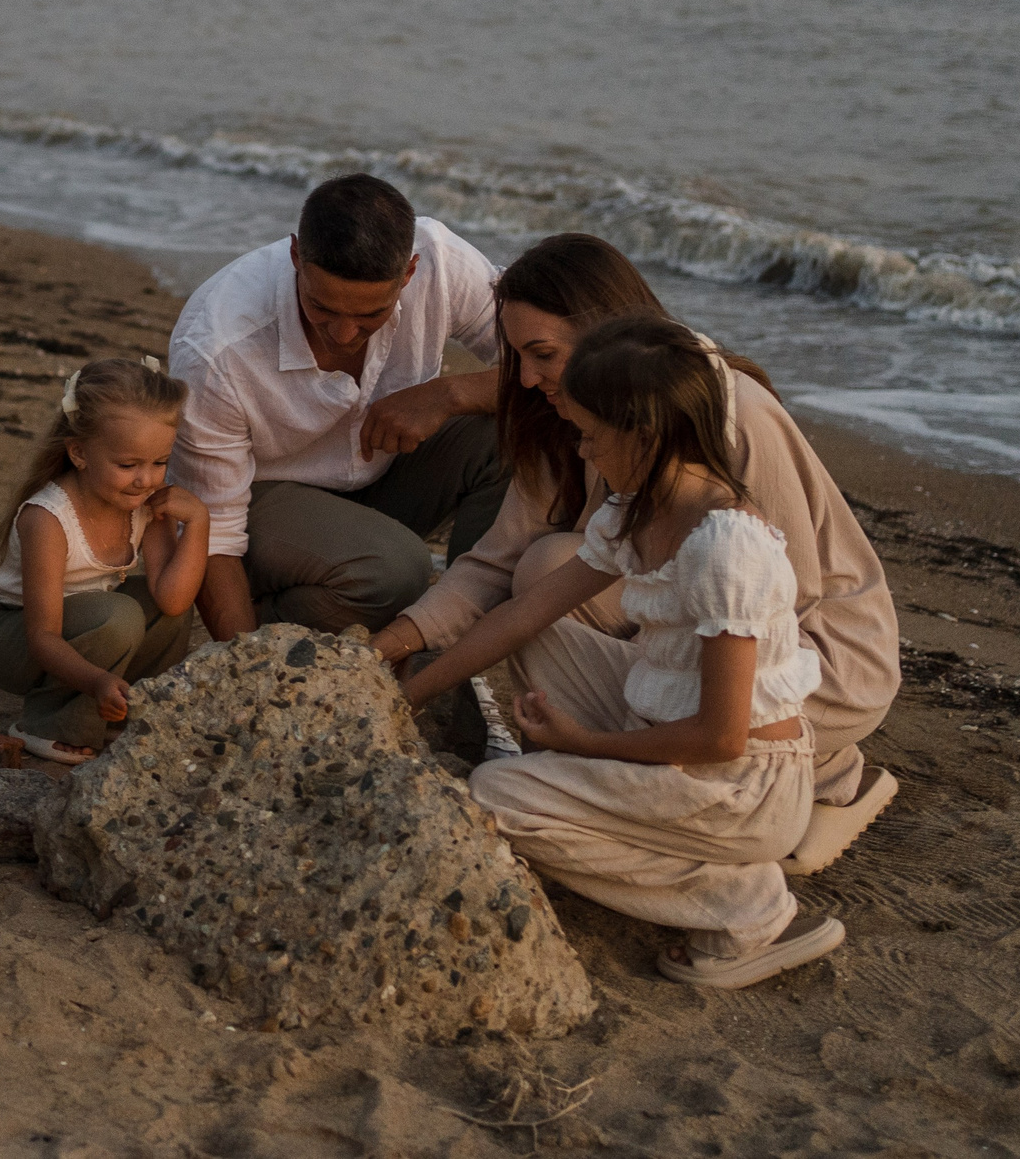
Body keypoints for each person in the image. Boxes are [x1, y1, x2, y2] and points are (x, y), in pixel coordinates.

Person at [379, 233, 901, 871]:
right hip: (698, 649)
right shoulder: (574, 423)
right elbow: (498, 569)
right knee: (541, 585)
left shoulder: (738, 420)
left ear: (608, 336)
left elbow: (791, 601)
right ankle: (629, 785)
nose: (524, 378)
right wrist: (390, 663)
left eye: (541, 354)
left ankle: (817, 772)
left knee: (552, 577)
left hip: (812, 665)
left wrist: (603, 745)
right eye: (516, 356)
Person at [446, 314, 845, 987]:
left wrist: (582, 743)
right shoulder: (641, 508)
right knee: (540, 632)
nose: (582, 451)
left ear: (645, 435)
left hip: (741, 788)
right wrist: (405, 688)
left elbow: (720, 737)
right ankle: (599, 802)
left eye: (591, 435)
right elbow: (524, 614)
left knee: (493, 797)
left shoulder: (726, 547)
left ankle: (746, 906)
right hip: (666, 727)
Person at [167, 174, 508, 640]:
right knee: (395, 571)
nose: (345, 334)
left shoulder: (442, 262)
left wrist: (448, 394)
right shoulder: (215, 348)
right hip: (263, 500)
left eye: (370, 314)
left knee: (512, 434)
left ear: (410, 272)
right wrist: (241, 659)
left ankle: (467, 633)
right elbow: (214, 533)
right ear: (296, 257)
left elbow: (559, 367)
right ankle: (277, 623)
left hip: (384, 476)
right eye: (322, 308)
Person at [0, 357, 211, 763]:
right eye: (127, 465)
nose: (146, 479)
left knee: (163, 612)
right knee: (118, 616)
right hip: (8, 634)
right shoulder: (48, 519)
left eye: (160, 462)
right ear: (79, 453)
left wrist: (199, 522)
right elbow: (43, 636)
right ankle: (51, 723)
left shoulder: (146, 502)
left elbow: (173, 601)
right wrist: (96, 681)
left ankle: (129, 708)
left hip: (86, 624)